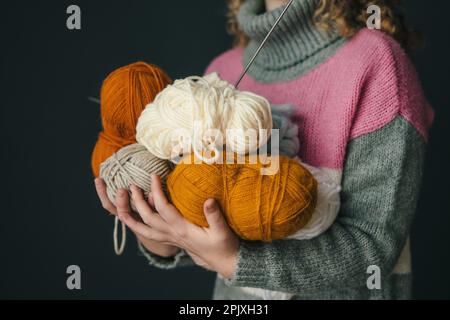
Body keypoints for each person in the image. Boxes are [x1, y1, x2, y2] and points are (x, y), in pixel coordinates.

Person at [94, 0, 434, 299]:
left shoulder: (376, 63)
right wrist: (156, 230)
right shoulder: (220, 74)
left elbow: (372, 247)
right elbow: (202, 231)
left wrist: (235, 261)